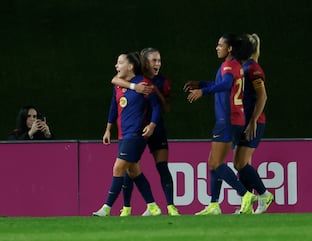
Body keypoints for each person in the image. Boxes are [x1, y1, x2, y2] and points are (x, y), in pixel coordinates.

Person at [183, 33, 257, 215]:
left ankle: (245, 195)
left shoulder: (228, 65)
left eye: (220, 45)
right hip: (233, 119)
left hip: (227, 119)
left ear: (229, 48)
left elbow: (224, 85)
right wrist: (200, 83)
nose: (217, 48)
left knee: (216, 163)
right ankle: (214, 204)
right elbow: (224, 83)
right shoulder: (235, 65)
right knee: (213, 162)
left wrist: (203, 91)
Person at [111, 47, 180, 216]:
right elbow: (115, 80)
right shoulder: (136, 78)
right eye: (154, 60)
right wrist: (135, 87)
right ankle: (127, 207)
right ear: (144, 62)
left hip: (156, 128)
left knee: (162, 167)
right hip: (138, 129)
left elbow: (166, 107)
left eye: (159, 60)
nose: (157, 64)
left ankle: (171, 207)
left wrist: (154, 90)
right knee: (129, 168)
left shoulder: (162, 81)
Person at [92, 52, 162, 217]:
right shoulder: (119, 85)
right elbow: (113, 108)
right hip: (123, 135)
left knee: (118, 168)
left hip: (136, 134)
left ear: (130, 66)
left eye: (120, 63)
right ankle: (153, 207)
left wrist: (152, 125)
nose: (116, 66)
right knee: (134, 171)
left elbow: (156, 107)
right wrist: (108, 129)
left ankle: (106, 208)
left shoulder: (144, 84)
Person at [232, 33, 274, 214]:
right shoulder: (244, 66)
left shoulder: (253, 68)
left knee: (240, 163)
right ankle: (247, 204)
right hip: (244, 121)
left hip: (253, 123)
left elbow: (263, 96)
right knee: (241, 163)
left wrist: (253, 121)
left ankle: (264, 194)